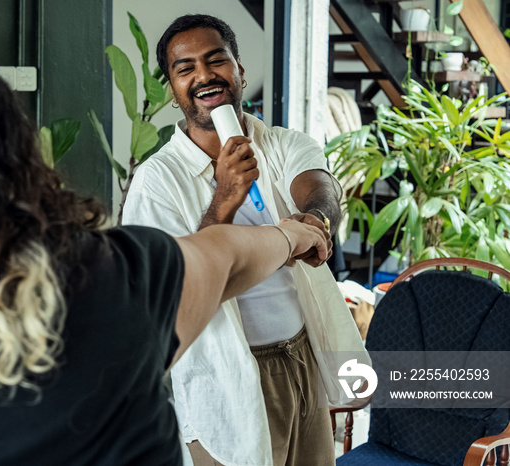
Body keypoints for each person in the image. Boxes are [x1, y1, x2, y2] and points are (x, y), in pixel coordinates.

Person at [0, 61, 331, 465]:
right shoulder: (112, 280)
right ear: (22, 171)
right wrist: (290, 235)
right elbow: (230, 255)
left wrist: (297, 226)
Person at [123, 14, 367, 466]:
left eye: (217, 60)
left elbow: (320, 188)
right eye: (185, 68)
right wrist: (225, 198)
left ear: (239, 71)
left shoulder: (280, 142)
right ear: (173, 93)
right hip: (227, 373)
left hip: (302, 353)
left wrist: (315, 220)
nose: (204, 75)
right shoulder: (156, 182)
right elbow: (174, 289)